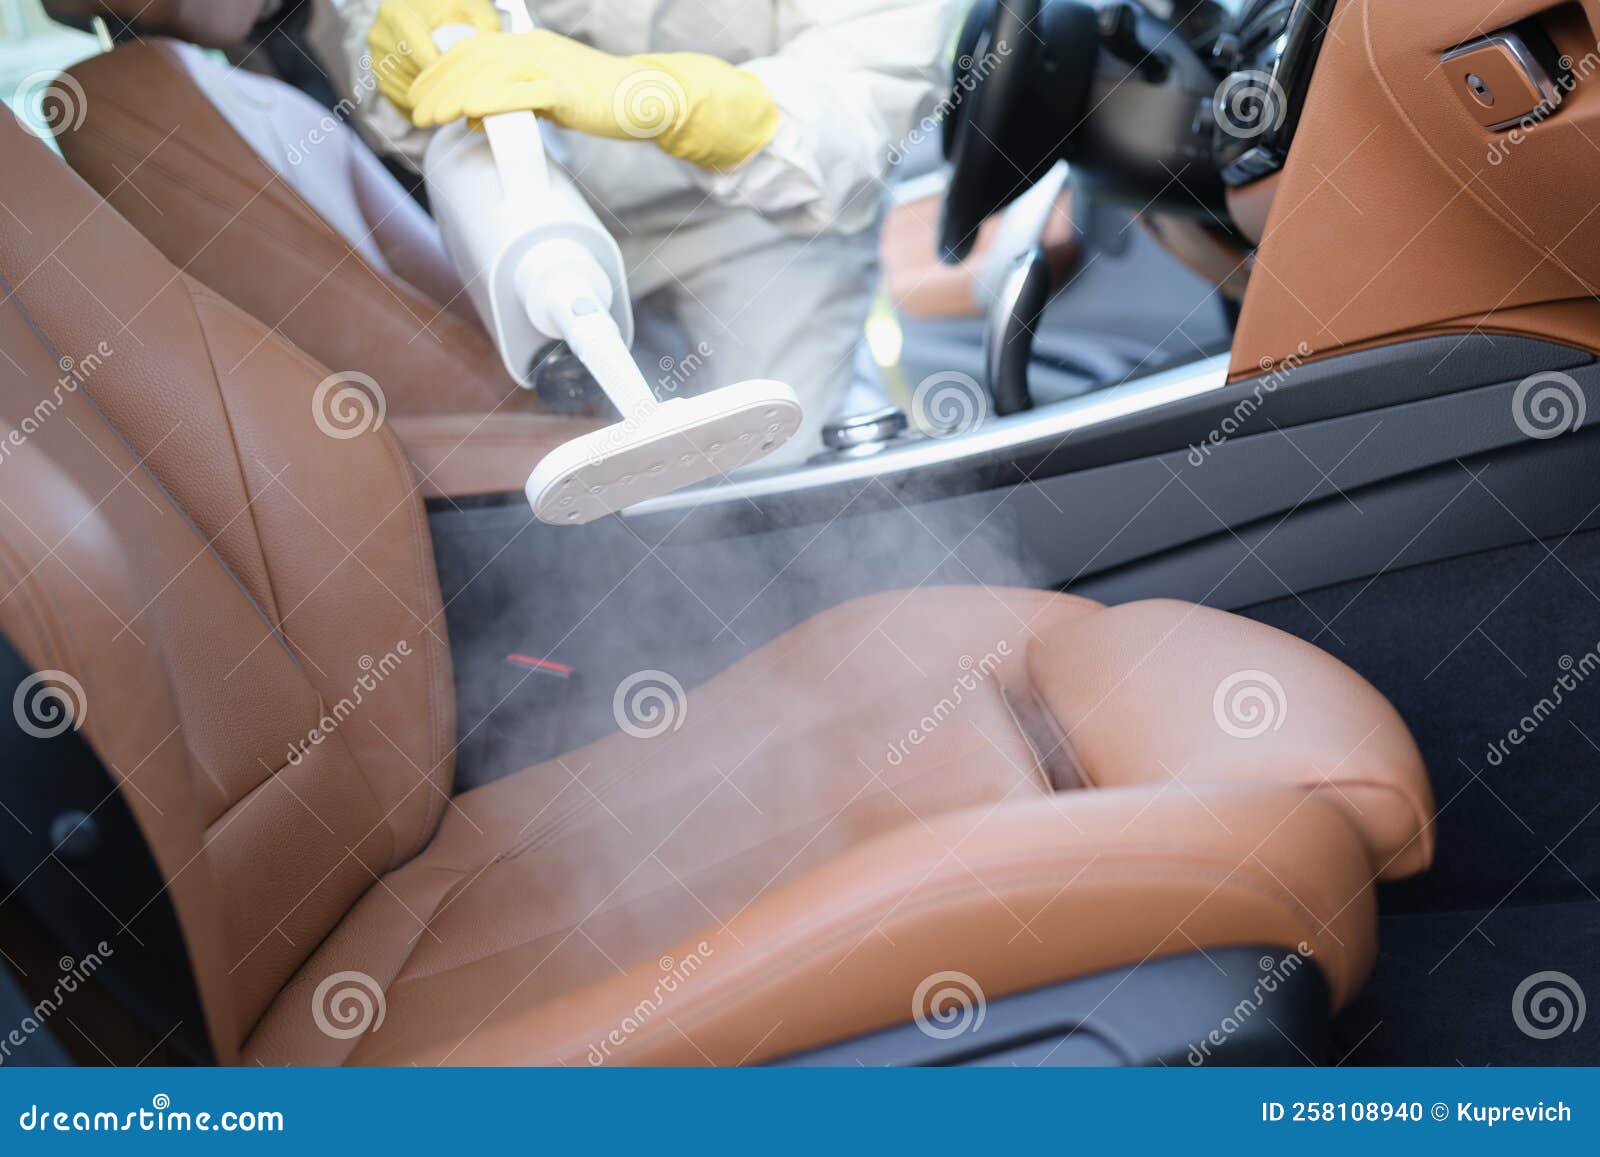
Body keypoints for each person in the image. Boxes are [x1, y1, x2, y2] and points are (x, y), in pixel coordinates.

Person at [312, 0, 957, 464]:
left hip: (761, 221)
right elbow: (371, 39)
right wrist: (393, 43)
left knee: (778, 477)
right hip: (534, 206)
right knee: (566, 480)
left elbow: (865, 93)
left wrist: (681, 103)